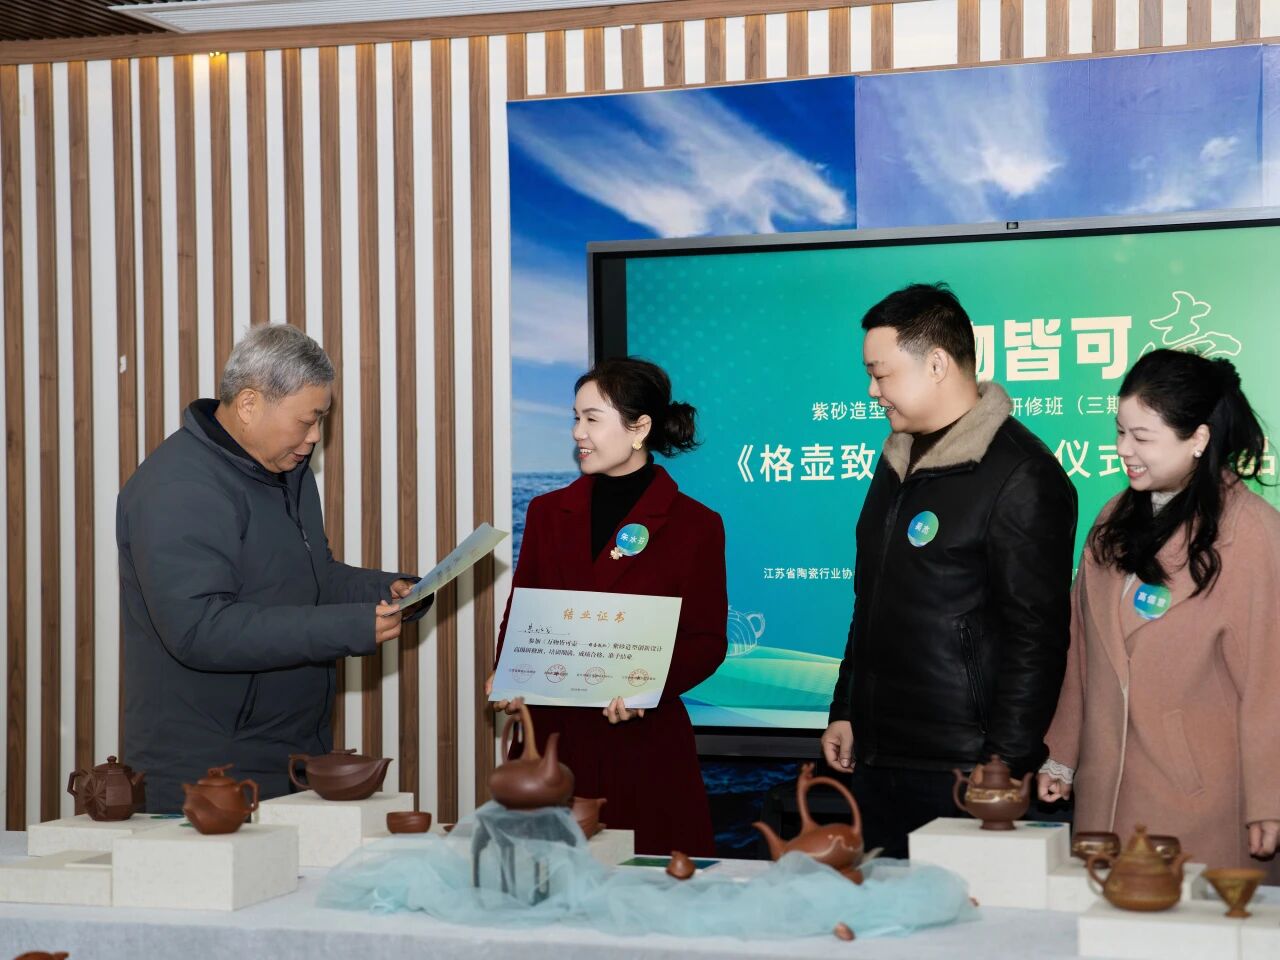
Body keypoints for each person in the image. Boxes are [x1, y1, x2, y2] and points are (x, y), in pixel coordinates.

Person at [118, 324, 430, 812]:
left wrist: (387, 588)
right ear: (249, 404)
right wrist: (350, 627)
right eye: (308, 420)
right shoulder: (177, 488)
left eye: (321, 420)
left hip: (291, 752)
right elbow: (200, 629)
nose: (315, 437)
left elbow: (312, 576)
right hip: (209, 771)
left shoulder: (285, 469)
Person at [820, 283, 1077, 859]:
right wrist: (846, 709)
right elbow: (870, 601)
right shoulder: (897, 461)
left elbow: (1036, 637)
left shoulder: (1021, 474)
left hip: (965, 769)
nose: (872, 390)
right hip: (878, 756)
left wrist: (1004, 763)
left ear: (936, 364)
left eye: (881, 374)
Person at [1039, 350, 1280, 875]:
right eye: (1120, 431)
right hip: (1106, 795)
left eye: (1142, 437)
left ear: (1198, 439)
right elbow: (1083, 650)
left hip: (1202, 806)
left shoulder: (1254, 534)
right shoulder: (1113, 518)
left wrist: (1270, 797)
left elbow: (1271, 682)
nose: (1123, 449)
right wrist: (1062, 752)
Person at [489, 357, 728, 856]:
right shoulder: (547, 512)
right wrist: (508, 673)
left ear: (639, 428)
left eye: (592, 419)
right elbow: (523, 609)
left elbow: (706, 641)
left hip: (642, 743)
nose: (578, 432)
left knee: (648, 886)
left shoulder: (696, 526)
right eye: (575, 418)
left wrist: (647, 688)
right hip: (555, 743)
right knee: (544, 883)